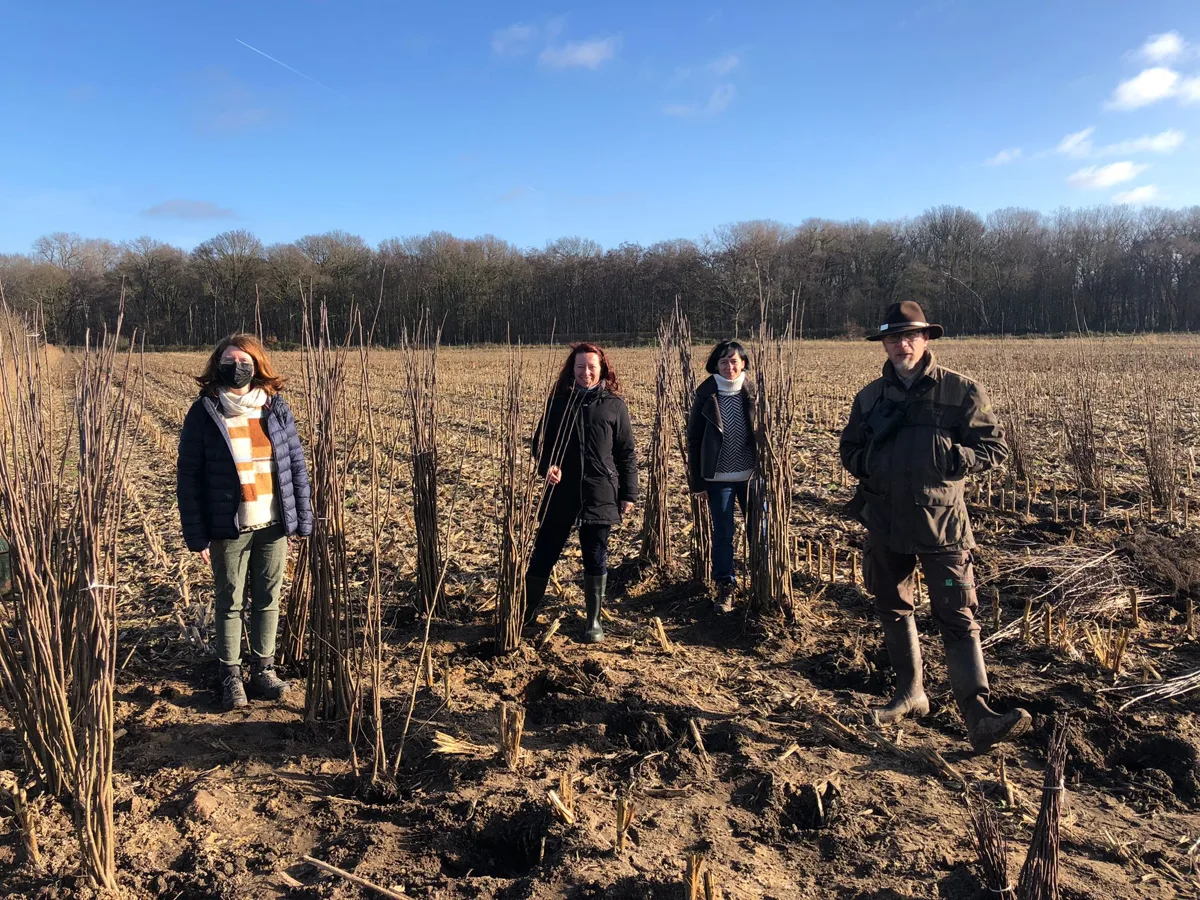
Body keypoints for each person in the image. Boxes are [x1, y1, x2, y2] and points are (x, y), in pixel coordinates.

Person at [839, 301, 1030, 752]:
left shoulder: (960, 391)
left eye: (911, 336)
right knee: (893, 606)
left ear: (926, 339)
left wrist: (955, 457)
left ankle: (978, 714)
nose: (902, 345)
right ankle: (910, 694)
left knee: (957, 615)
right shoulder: (870, 398)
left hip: (942, 524)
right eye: (893, 338)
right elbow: (849, 449)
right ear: (883, 344)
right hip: (885, 520)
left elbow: (994, 449)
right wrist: (870, 464)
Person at [177, 334, 312, 710]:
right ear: (217, 365)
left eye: (245, 361)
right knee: (230, 602)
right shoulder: (205, 411)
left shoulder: (275, 409)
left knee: (269, 599)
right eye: (229, 360)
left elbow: (294, 466)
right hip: (228, 526)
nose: (237, 367)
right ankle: (230, 675)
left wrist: (301, 519)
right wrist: (197, 535)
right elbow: (188, 476)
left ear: (257, 365)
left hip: (272, 522)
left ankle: (263, 670)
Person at [524, 342, 638, 643]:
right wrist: (548, 466)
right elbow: (540, 444)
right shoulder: (558, 403)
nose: (585, 372)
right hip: (562, 493)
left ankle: (594, 621)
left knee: (595, 556)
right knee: (545, 551)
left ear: (601, 369)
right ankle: (525, 612)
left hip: (601, 491)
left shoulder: (614, 405)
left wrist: (629, 494)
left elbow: (626, 453)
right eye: (579, 367)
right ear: (570, 370)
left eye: (591, 367)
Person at [687, 340, 757, 612]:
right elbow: (694, 440)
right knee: (724, 533)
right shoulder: (706, 395)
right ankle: (725, 586)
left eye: (734, 361)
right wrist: (699, 482)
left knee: (758, 531)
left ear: (744, 363)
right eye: (724, 362)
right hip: (719, 478)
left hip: (752, 476)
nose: (730, 366)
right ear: (715, 365)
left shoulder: (754, 393)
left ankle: (761, 579)